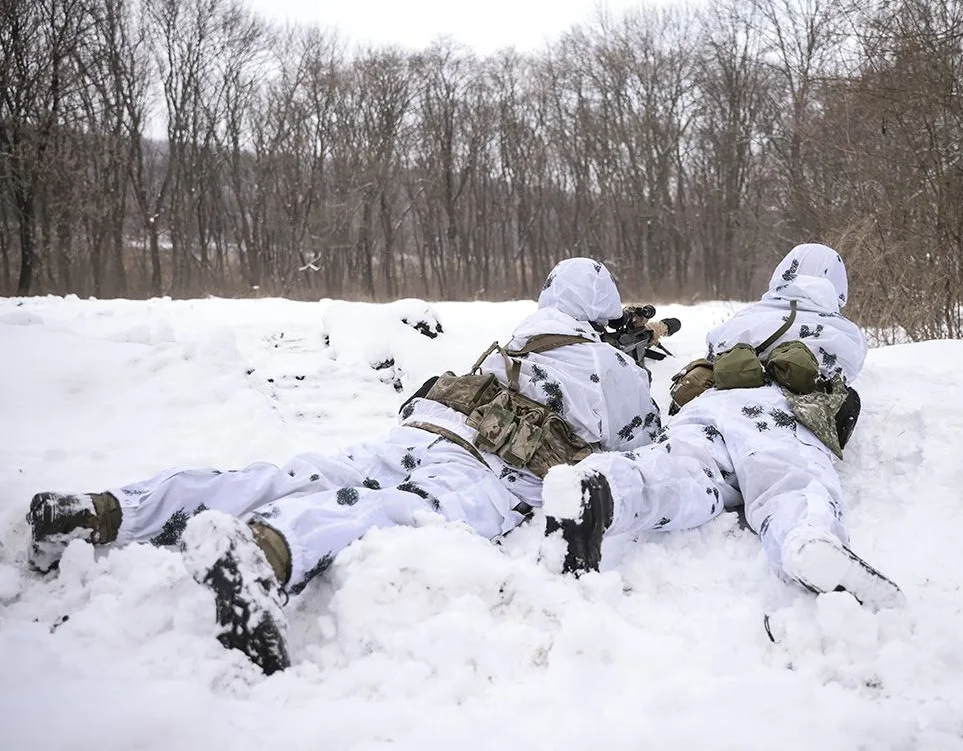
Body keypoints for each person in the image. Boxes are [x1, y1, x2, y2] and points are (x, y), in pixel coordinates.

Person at [26, 257, 662, 673]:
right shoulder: (610, 365)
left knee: (290, 474)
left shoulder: (527, 329)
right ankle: (265, 553)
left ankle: (101, 511)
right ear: (604, 312)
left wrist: (616, 339)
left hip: (423, 430)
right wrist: (632, 357)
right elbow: (646, 446)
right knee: (390, 511)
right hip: (485, 470)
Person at [540, 243, 904, 610]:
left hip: (713, 404)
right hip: (779, 415)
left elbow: (715, 350)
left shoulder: (745, 318)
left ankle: (601, 490)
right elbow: (847, 371)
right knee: (791, 482)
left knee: (677, 466)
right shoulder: (845, 333)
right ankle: (808, 541)